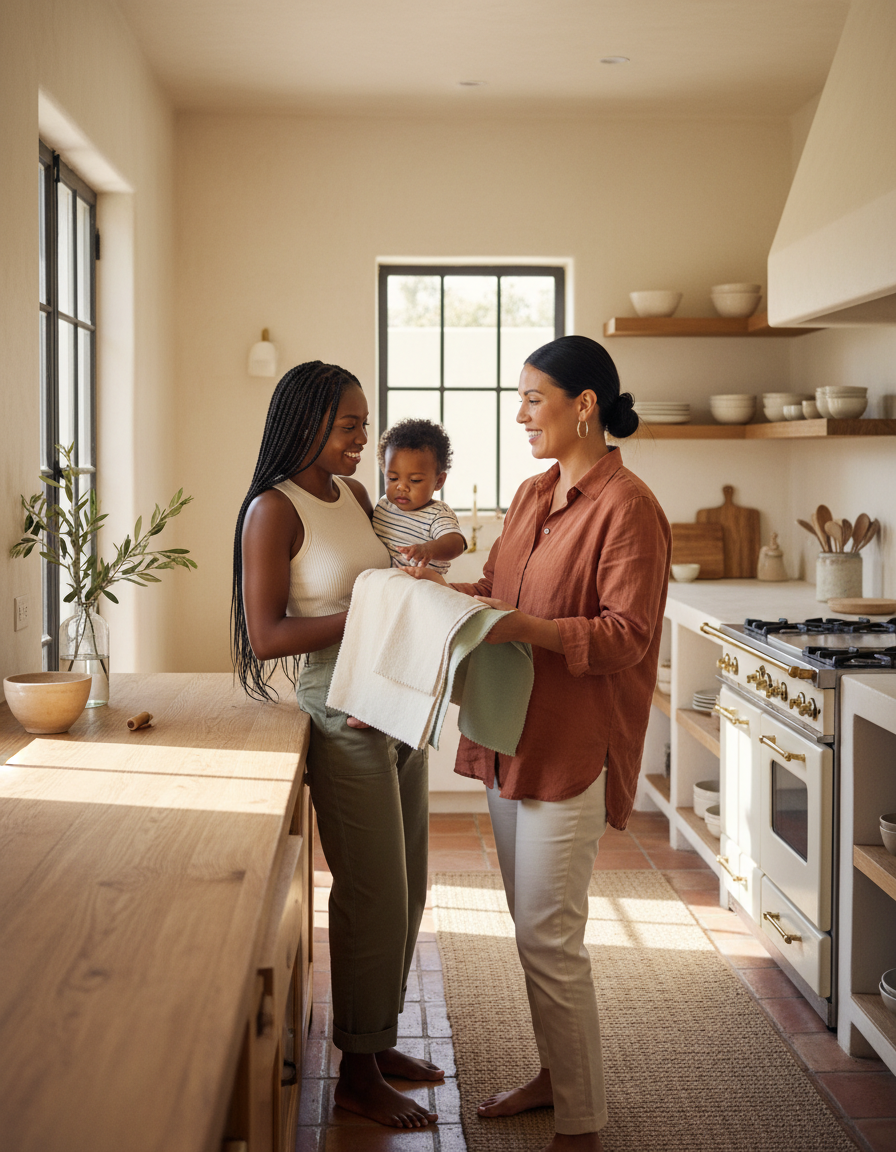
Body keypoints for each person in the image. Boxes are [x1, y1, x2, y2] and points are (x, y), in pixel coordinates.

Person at [403, 335, 671, 1152]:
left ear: (582, 405)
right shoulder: (530, 496)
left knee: (549, 936)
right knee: (533, 927)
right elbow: (499, 592)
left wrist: (521, 626)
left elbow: (627, 635)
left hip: (572, 746)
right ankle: (558, 1077)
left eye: (532, 398)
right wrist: (442, 591)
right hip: (508, 734)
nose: (520, 414)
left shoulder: (629, 509)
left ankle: (582, 1125)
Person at [231, 361, 443, 1129]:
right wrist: (376, 609)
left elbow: (397, 572)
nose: (363, 441)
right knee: (372, 889)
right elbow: (267, 636)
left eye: (363, 424)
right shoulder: (273, 510)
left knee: (411, 879)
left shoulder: (354, 497)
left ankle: (377, 1041)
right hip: (338, 698)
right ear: (307, 422)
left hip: (396, 686)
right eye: (349, 426)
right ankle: (357, 1070)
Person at [372, 417, 466, 574]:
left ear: (439, 481)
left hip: (421, 586)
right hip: (386, 584)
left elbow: (457, 544)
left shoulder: (437, 514)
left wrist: (428, 549)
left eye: (415, 480)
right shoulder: (383, 505)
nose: (401, 486)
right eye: (393, 478)